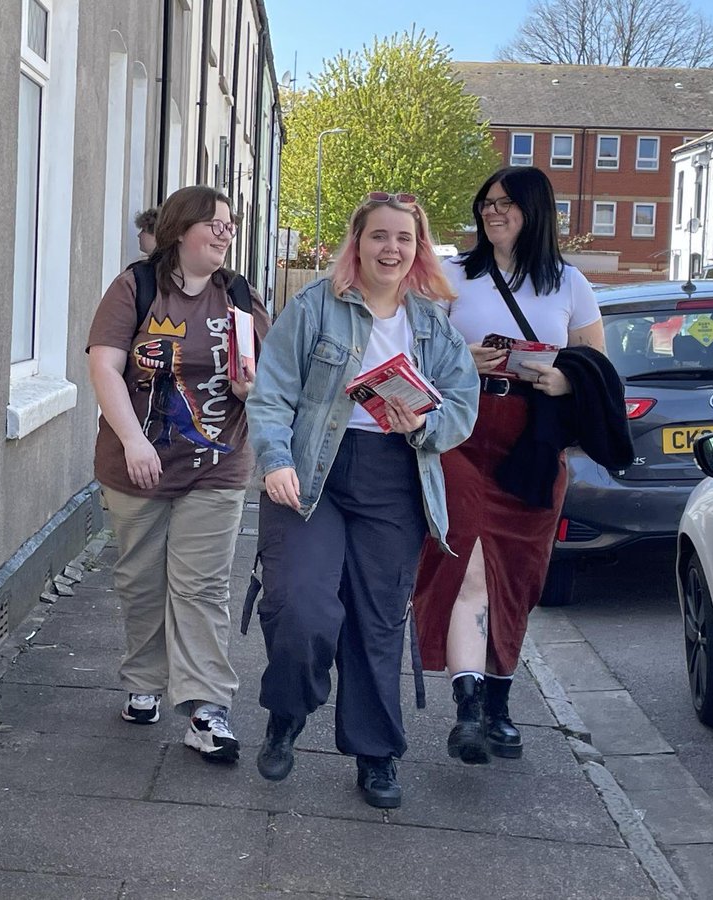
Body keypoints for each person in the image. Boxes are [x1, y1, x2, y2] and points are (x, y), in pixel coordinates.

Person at [245, 192, 480, 808]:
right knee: (302, 605)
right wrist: (274, 461)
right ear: (357, 244)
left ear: (418, 249)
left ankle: (377, 754)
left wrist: (421, 426)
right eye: (379, 236)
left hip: (394, 478)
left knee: (378, 621)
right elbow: (270, 395)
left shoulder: (433, 323)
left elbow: (462, 407)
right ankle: (287, 714)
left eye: (404, 239)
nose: (391, 249)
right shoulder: (314, 307)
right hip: (312, 473)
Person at [412, 166, 611, 765]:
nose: (491, 212)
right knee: (467, 560)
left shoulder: (569, 283)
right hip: (462, 434)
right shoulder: (450, 276)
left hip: (533, 442)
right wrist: (461, 360)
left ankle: (499, 704)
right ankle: (469, 709)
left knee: (519, 576)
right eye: (486, 203)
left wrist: (560, 377)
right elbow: (411, 354)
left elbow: (595, 369)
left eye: (505, 203)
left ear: (535, 210)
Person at [86, 185, 270, 764]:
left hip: (217, 464)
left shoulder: (237, 294)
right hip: (136, 462)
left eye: (230, 224)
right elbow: (104, 365)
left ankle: (206, 708)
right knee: (141, 579)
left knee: (202, 587)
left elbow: (271, 374)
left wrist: (251, 386)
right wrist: (133, 440)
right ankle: (144, 679)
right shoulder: (136, 287)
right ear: (180, 229)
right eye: (213, 223)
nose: (224, 232)